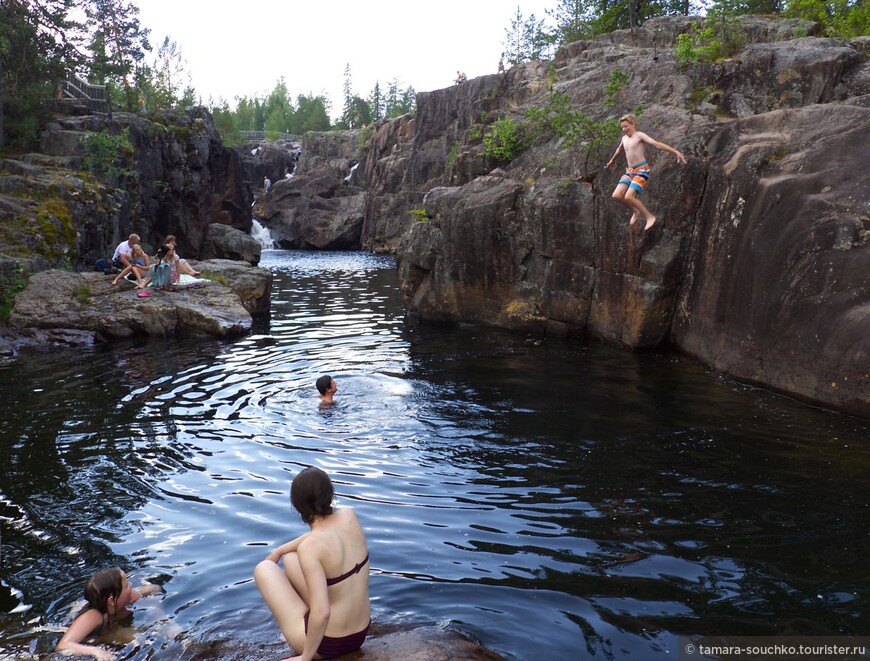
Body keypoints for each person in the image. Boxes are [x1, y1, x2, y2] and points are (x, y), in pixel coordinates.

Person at [254, 467, 371, 660]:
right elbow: (323, 533)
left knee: (264, 568)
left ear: (297, 506)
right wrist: (281, 550)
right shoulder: (350, 516)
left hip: (328, 645)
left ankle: (300, 638)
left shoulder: (310, 548)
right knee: (291, 559)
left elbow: (322, 612)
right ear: (330, 494)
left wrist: (304, 658)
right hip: (359, 635)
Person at [56, 567, 160, 660]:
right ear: (112, 601)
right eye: (127, 585)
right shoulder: (93, 616)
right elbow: (63, 645)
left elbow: (153, 589)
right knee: (139, 639)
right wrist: (96, 651)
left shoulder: (127, 596)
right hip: (95, 638)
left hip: (113, 627)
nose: (131, 585)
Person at [606, 113, 687, 231]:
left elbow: (657, 144)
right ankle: (635, 211)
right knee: (616, 195)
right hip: (630, 171)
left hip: (642, 170)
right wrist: (612, 160)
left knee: (629, 196)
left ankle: (649, 217)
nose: (624, 129)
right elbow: (619, 149)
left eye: (626, 126)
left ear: (633, 124)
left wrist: (676, 152)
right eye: (622, 127)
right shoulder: (624, 138)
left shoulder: (639, 136)